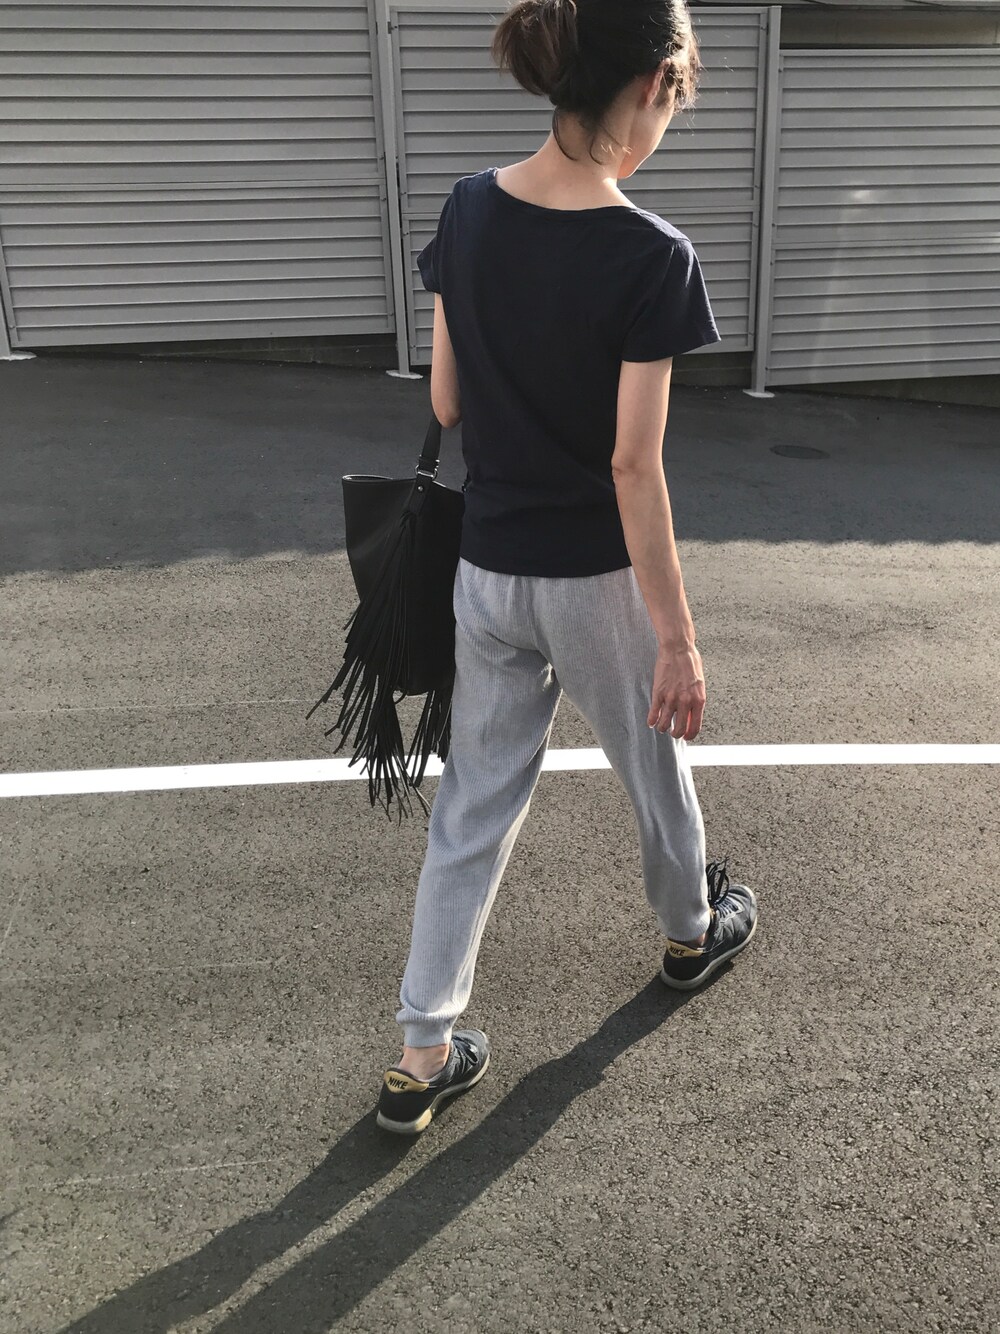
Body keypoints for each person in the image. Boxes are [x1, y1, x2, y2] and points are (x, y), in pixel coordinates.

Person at [376, 0, 758, 1136]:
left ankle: (422, 1051)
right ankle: (688, 933)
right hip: (595, 581)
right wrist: (678, 637)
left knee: (473, 808)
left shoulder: (467, 208)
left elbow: (447, 401)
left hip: (486, 571)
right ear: (650, 87)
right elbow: (633, 468)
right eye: (676, 101)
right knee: (655, 769)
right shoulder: (653, 257)